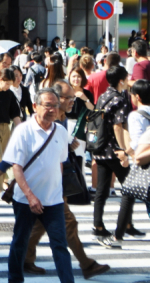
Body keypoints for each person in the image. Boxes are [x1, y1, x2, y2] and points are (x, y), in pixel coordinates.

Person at [20, 81, 111, 279]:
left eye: (72, 97)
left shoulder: (60, 119)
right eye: (68, 98)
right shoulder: (45, 120)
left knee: (41, 223)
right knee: (67, 223)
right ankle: (86, 264)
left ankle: (24, 257)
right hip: (46, 181)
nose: (72, 101)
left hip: (53, 180)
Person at [3, 87, 74, 283]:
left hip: (53, 201)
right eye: (48, 105)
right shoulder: (23, 131)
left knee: (60, 245)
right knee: (20, 242)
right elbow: (16, 167)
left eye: (55, 105)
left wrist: (59, 193)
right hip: (26, 200)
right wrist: (30, 196)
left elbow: (59, 163)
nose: (52, 109)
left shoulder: (60, 130)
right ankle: (14, 279)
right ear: (35, 106)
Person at [90, 66, 141, 248]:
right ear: (121, 80)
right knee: (130, 188)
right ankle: (126, 225)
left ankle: (98, 225)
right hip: (114, 150)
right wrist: (124, 149)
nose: (128, 80)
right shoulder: (120, 98)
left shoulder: (104, 95)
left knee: (102, 189)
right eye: (126, 78)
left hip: (100, 147)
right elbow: (118, 126)